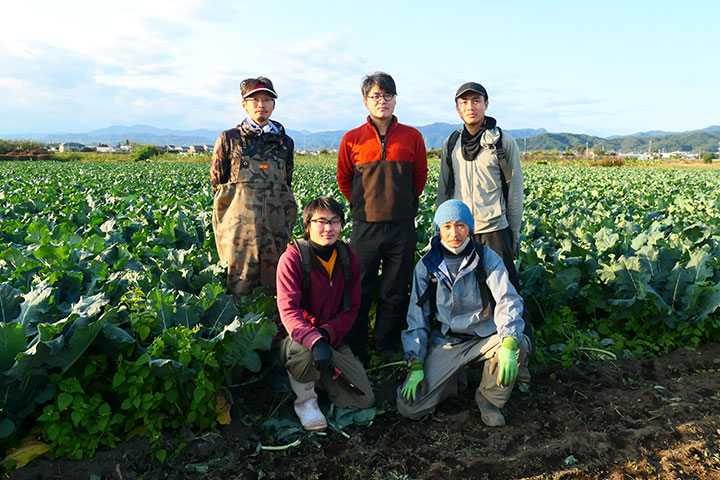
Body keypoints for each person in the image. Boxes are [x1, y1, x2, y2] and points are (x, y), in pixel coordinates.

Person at [397, 200, 531, 426]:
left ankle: (489, 400)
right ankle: (453, 382)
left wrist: (508, 342)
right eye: (447, 226)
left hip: (485, 337)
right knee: (410, 408)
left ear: (470, 228)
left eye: (460, 225)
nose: (454, 233)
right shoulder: (426, 266)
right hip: (446, 341)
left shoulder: (487, 257)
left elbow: (507, 299)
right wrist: (416, 363)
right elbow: (416, 317)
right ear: (438, 230)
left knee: (517, 345)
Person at [336, 72, 428, 360]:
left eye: (388, 95)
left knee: (396, 289)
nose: (382, 101)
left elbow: (419, 177)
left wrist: (401, 203)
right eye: (376, 96)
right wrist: (365, 205)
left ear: (395, 100)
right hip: (365, 228)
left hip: (402, 227)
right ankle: (357, 347)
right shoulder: (352, 139)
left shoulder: (412, 136)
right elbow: (345, 179)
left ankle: (386, 346)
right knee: (358, 289)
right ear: (366, 102)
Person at [275, 197, 375, 431]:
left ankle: (316, 379)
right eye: (321, 221)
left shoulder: (349, 259)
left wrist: (326, 335)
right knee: (303, 351)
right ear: (308, 226)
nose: (328, 228)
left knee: (363, 400)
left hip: (330, 340)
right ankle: (306, 402)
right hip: (295, 340)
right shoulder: (292, 258)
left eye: (334, 221)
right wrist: (314, 339)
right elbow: (289, 311)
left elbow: (351, 309)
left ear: (342, 225)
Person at [437, 82, 528, 323]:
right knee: (468, 298)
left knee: (508, 295)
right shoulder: (451, 144)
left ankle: (520, 347)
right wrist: (443, 232)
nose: (471, 107)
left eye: (476, 101)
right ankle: (476, 348)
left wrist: (512, 237)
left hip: (495, 232)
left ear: (486, 105)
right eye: (464, 102)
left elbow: (515, 194)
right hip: (461, 233)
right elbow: (443, 193)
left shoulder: (503, 143)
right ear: (457, 109)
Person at [210, 76, 298, 300]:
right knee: (238, 283)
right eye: (255, 99)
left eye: (267, 99)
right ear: (244, 104)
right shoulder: (229, 139)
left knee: (275, 283)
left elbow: (287, 182)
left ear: (274, 105)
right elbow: (217, 184)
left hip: (276, 229)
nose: (261, 104)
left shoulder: (285, 143)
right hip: (238, 231)